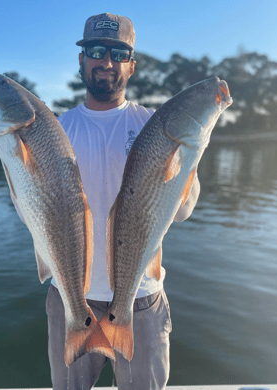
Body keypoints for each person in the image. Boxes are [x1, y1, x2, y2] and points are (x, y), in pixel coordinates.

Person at [45, 13, 200, 390]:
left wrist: (190, 154)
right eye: (96, 51)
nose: (106, 62)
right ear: (81, 60)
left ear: (132, 64)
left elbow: (183, 211)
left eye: (118, 52)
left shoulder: (156, 126)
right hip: (69, 300)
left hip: (140, 300)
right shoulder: (55, 131)